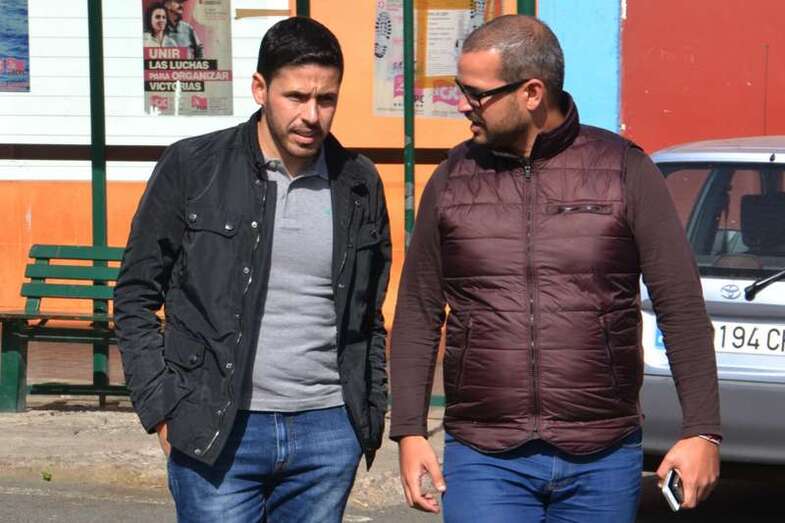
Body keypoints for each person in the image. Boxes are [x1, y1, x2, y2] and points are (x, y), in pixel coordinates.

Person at [390, 14, 721, 522]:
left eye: (476, 93)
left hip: (602, 455)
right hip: (485, 456)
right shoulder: (453, 179)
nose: (462, 104)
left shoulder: (624, 170)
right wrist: (410, 430)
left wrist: (701, 431)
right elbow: (418, 309)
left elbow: (680, 306)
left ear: (531, 93)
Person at [115, 17, 391, 523]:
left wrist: (364, 417)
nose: (311, 115)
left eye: (326, 99)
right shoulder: (193, 166)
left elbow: (368, 314)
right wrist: (162, 406)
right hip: (217, 429)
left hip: (327, 432)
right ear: (260, 89)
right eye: (296, 97)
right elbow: (135, 294)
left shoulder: (358, 182)